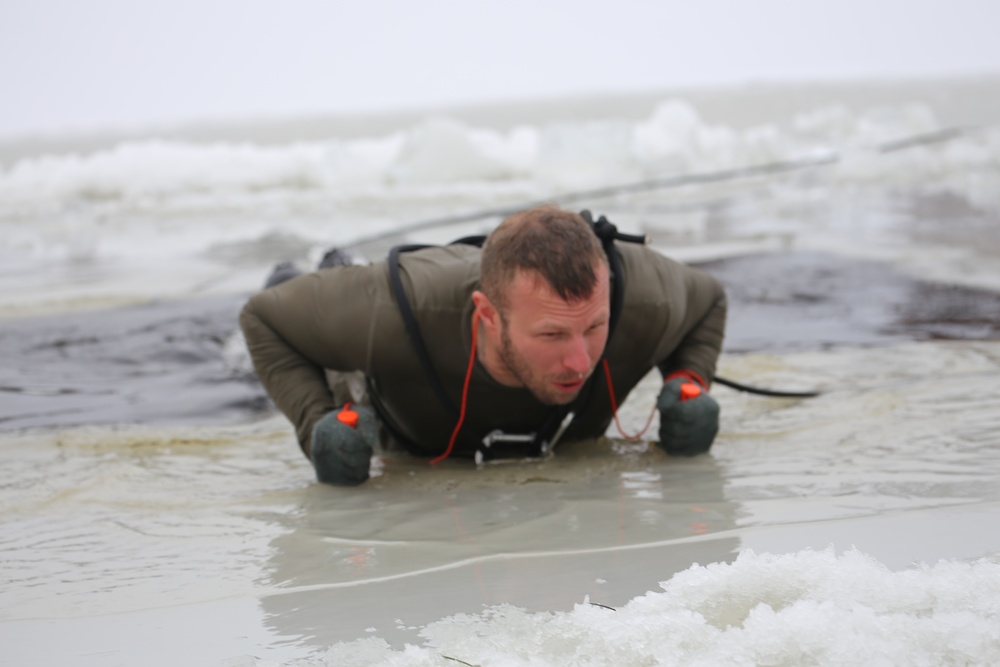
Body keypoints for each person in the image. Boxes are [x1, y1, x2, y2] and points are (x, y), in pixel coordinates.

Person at [239, 206, 727, 485]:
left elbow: (710, 300)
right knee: (301, 289)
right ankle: (323, 263)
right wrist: (314, 426)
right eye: (552, 334)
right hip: (366, 363)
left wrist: (688, 383)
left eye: (593, 327)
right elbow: (262, 318)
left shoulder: (646, 294)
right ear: (488, 315)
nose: (580, 361)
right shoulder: (396, 309)